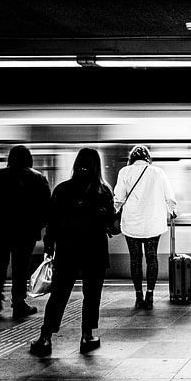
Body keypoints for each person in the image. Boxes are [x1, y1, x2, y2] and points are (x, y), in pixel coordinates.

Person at [30, 148, 115, 356]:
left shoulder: (62, 189)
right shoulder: (103, 191)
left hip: (68, 249)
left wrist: (49, 246)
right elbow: (110, 225)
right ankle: (87, 336)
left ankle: (46, 338)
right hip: (95, 250)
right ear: (97, 166)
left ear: (76, 164)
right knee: (92, 295)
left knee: (59, 295)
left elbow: (52, 222)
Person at [0, 145, 50, 320]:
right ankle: (18, 303)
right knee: (21, 268)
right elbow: (46, 208)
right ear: (29, 159)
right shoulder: (38, 178)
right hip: (25, 233)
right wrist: (37, 227)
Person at [113, 145, 177, 310]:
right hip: (152, 223)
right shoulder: (158, 172)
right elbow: (169, 195)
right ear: (148, 157)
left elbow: (118, 198)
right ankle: (150, 295)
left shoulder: (124, 172)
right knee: (151, 258)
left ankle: (138, 295)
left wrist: (113, 211)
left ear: (131, 158)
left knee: (135, 259)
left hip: (132, 223)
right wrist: (172, 211)